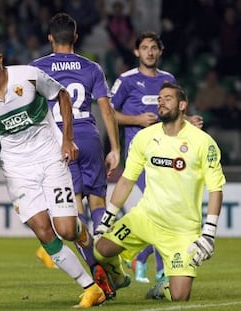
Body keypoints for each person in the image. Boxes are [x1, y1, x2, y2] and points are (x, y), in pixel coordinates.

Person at [0, 37, 105, 308]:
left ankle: (85, 238)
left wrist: (67, 139)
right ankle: (91, 288)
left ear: (0, 59)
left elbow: (62, 95)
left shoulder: (28, 77)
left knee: (66, 229)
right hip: (18, 169)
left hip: (50, 157)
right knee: (43, 231)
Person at [94, 82, 226, 301]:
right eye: (159, 99)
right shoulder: (145, 137)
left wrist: (209, 233)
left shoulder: (203, 142)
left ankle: (161, 288)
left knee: (179, 296)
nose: (161, 102)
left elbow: (215, 188)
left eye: (167, 98)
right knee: (101, 250)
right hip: (145, 218)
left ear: (183, 105)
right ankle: (118, 277)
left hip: (181, 230)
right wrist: (107, 219)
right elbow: (127, 180)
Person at [30, 12, 122, 299]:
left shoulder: (36, 68)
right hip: (90, 136)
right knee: (98, 203)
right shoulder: (92, 67)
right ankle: (113, 267)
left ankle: (97, 271)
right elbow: (106, 109)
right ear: (76, 38)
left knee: (74, 212)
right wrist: (116, 148)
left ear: (50, 38)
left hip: (59, 140)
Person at [110, 31, 203, 283]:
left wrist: (189, 121)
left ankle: (146, 262)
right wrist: (136, 120)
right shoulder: (127, 80)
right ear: (136, 52)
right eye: (145, 47)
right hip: (141, 158)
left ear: (160, 51)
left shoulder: (168, 79)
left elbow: (177, 114)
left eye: (154, 47)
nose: (149, 51)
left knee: (164, 212)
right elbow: (109, 113)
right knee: (162, 211)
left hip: (167, 155)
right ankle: (160, 272)